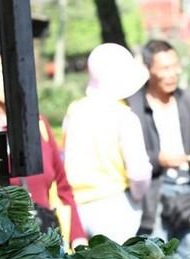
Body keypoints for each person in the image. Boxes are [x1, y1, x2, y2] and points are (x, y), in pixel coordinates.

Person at [0, 38, 87, 250]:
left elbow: (63, 187)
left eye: (16, 72)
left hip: (45, 240)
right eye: (2, 73)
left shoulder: (36, 123)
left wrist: (78, 237)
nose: (11, 80)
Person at [128, 40, 190, 259]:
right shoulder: (133, 105)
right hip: (154, 194)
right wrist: (159, 160)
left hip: (187, 191)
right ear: (148, 70)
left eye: (175, 66)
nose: (173, 74)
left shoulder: (186, 100)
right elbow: (128, 155)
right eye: (165, 68)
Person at [62, 43, 152, 245]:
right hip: (114, 205)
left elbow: (63, 155)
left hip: (75, 206)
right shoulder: (124, 116)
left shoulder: (74, 110)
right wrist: (137, 196)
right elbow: (138, 172)